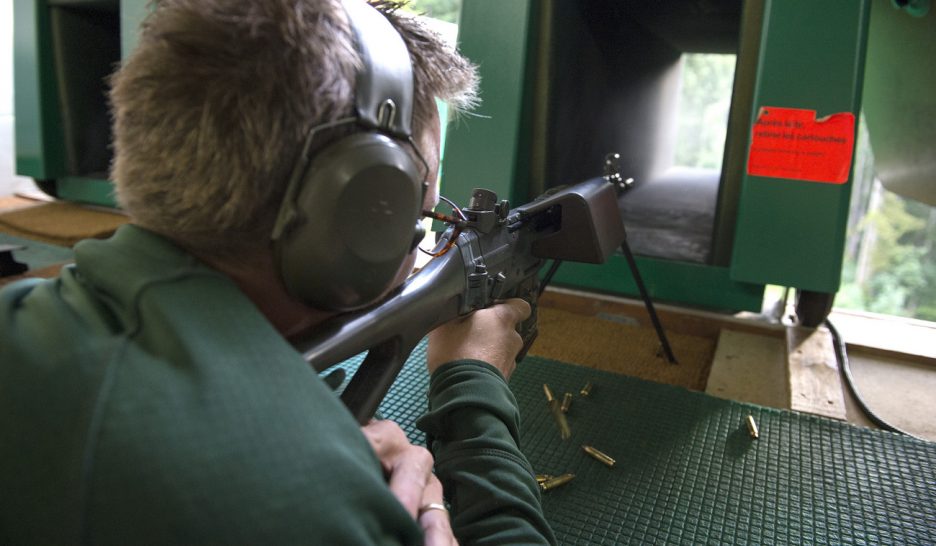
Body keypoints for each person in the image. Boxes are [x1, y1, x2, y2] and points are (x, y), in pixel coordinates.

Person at [0, 0, 556, 544]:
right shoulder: (314, 504)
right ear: (361, 209)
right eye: (424, 205)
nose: (424, 229)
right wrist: (473, 385)